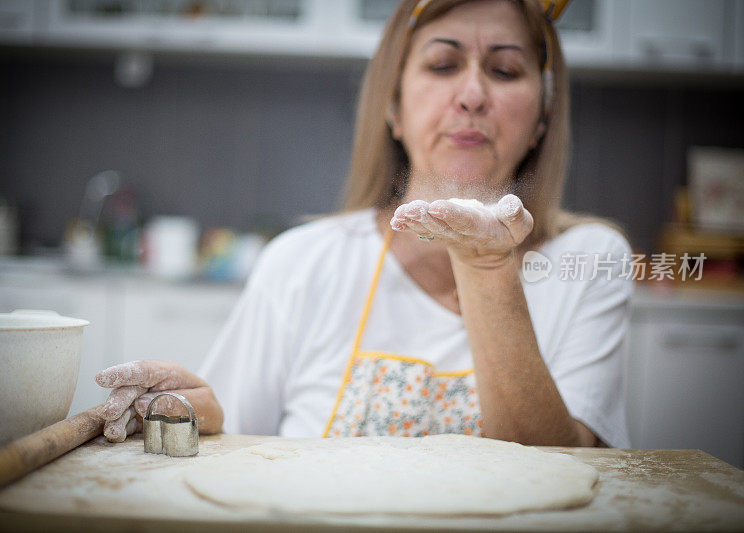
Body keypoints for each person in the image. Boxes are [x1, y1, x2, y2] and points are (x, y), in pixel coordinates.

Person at [94, 0, 632, 448]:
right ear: (392, 106)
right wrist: (188, 413)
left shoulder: (589, 262)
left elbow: (565, 481)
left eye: (505, 70)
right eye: (443, 65)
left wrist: (487, 264)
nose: (472, 95)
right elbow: (229, 435)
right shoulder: (304, 260)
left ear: (542, 118)